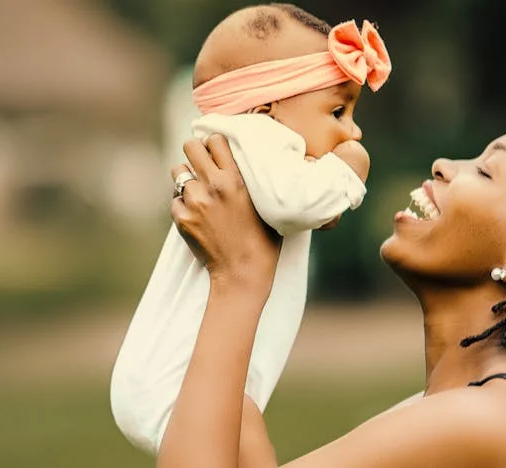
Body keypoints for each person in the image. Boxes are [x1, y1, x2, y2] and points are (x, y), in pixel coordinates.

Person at [158, 121, 506, 467]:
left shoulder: (486, 422)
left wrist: (241, 276)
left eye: (485, 170)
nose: (445, 165)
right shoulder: (467, 407)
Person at [110, 4, 391, 454]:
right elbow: (291, 203)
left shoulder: (256, 146)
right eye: (338, 112)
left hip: (182, 374)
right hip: (177, 376)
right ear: (265, 108)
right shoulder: (252, 136)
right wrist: (349, 173)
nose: (352, 134)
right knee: (248, 437)